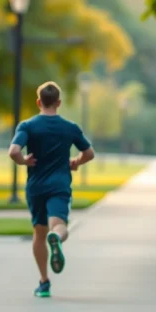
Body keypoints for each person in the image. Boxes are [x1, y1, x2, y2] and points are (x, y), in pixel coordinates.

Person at [9, 81, 95, 297]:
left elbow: (13, 151)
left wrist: (23, 161)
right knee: (59, 225)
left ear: (39, 102)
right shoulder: (70, 128)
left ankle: (44, 282)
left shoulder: (27, 126)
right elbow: (89, 153)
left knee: (39, 232)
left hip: (36, 187)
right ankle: (56, 237)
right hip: (59, 185)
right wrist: (76, 161)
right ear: (58, 102)